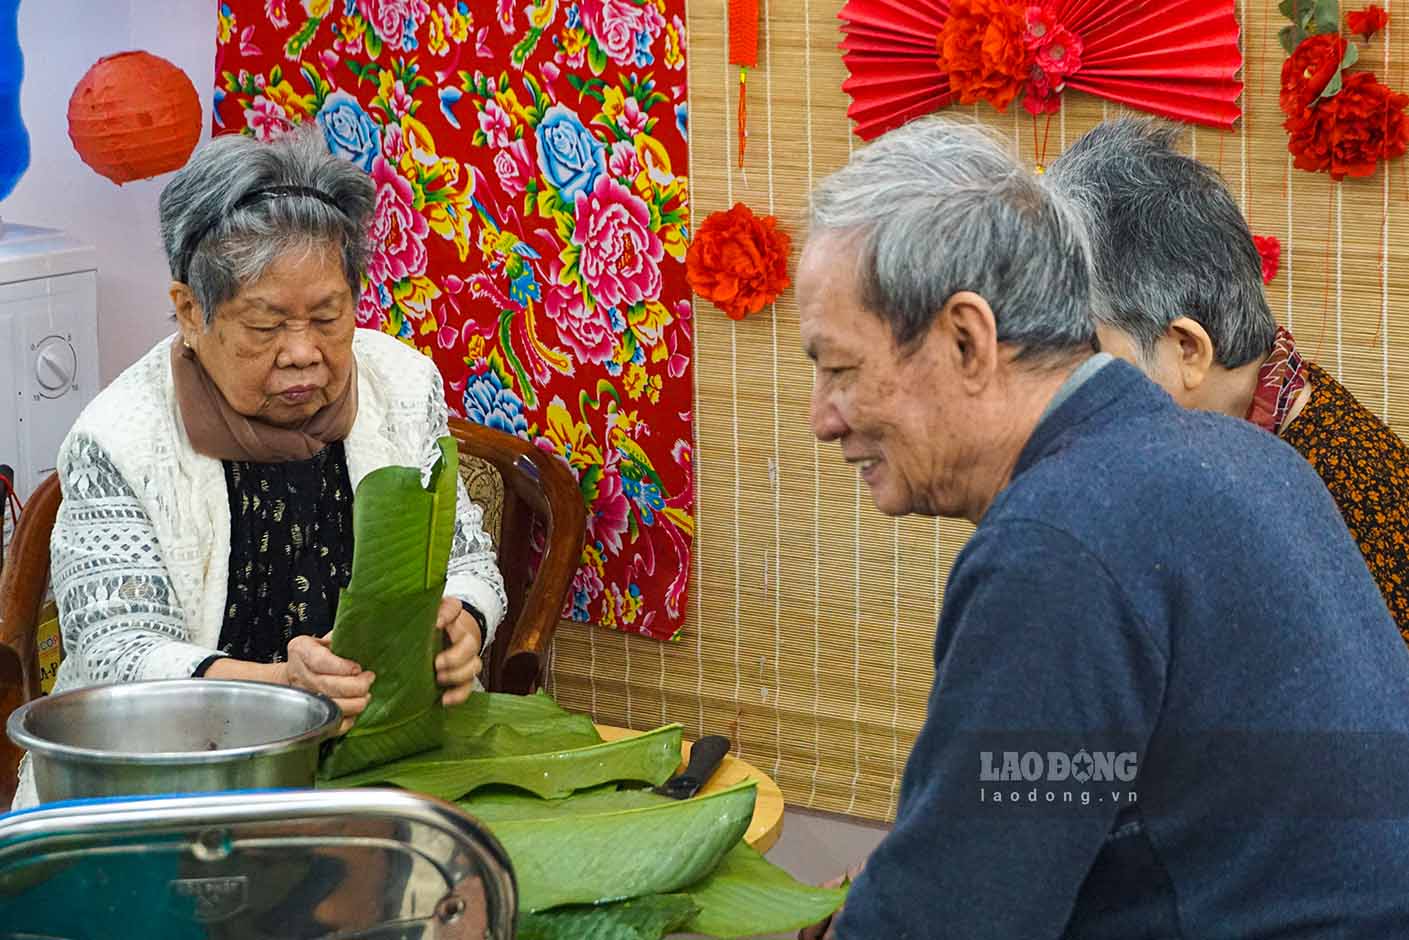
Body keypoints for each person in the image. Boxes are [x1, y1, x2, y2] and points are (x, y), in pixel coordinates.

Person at [796, 116, 1409, 938]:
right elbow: (1043, 802)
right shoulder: (1246, 458)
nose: (820, 419)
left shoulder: (1059, 544)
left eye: (839, 369)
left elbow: (950, 920)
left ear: (967, 339)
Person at [10, 129, 507, 808]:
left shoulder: (404, 386)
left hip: (386, 766)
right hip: (179, 782)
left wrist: (464, 623)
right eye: (266, 326)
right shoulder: (118, 437)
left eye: (328, 318)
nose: (303, 352)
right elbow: (114, 654)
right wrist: (277, 690)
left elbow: (468, 560)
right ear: (190, 311)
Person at [1046, 117, 1409, 645]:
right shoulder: (1227, 445)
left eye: (1089, 349)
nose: (1064, 380)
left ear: (1187, 349)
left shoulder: (1344, 505)